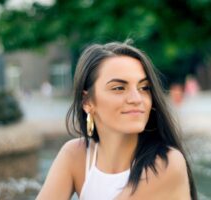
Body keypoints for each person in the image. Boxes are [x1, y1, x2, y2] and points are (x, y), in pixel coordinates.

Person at [36, 41, 197, 200]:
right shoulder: (75, 155)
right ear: (87, 102)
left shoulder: (167, 163)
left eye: (144, 88)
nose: (136, 99)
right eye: (119, 88)